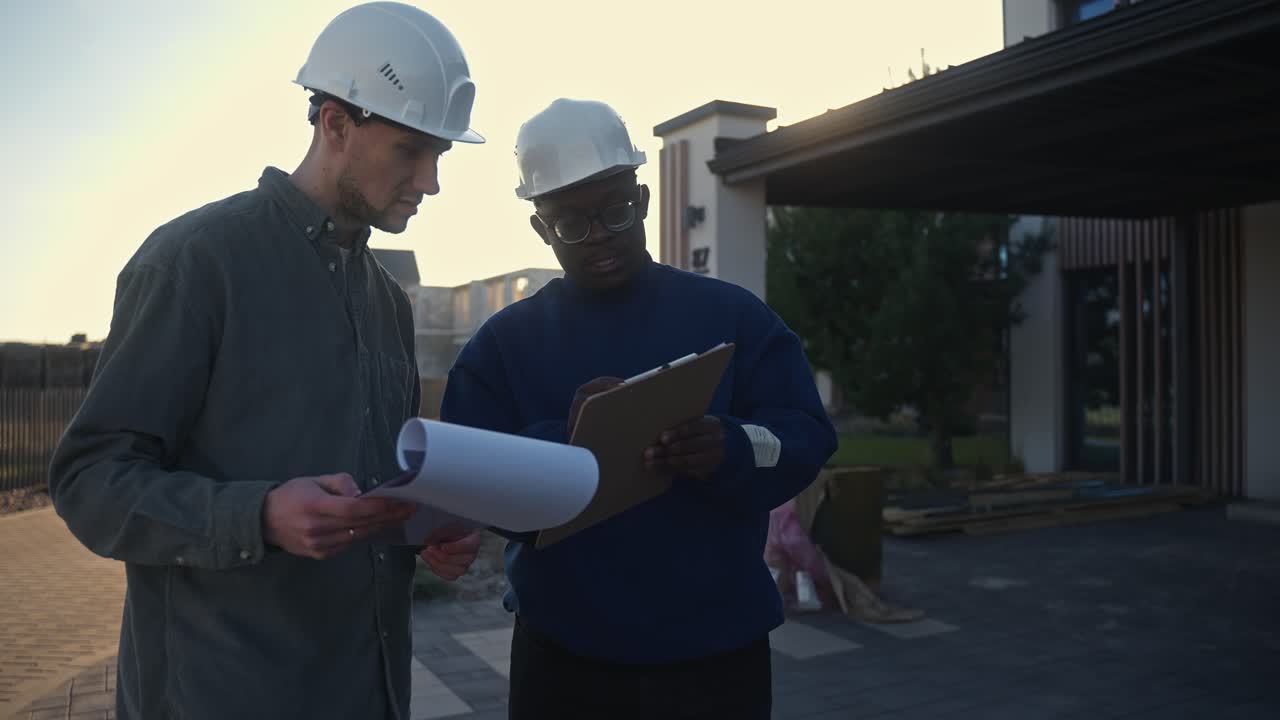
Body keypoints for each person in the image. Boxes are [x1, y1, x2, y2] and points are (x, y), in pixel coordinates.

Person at [47, 4, 485, 718]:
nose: (430, 180)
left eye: (441, 155)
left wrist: (425, 530)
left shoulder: (388, 302)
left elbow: (374, 486)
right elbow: (89, 481)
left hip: (367, 690)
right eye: (411, 150)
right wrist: (257, 517)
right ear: (335, 123)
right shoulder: (194, 263)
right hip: (222, 692)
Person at [440, 98, 839, 719]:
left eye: (616, 212)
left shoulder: (733, 318)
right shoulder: (502, 346)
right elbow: (468, 479)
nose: (599, 235)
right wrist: (566, 444)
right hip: (565, 662)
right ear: (540, 228)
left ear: (645, 200)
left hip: (715, 659)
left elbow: (805, 437)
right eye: (571, 224)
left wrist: (732, 446)